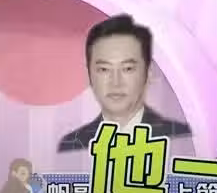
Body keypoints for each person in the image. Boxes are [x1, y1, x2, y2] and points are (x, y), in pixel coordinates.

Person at [57, 14, 191, 153]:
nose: (115, 82)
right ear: (89, 74)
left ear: (149, 72)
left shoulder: (181, 138)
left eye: (127, 69)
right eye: (104, 69)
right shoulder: (72, 145)